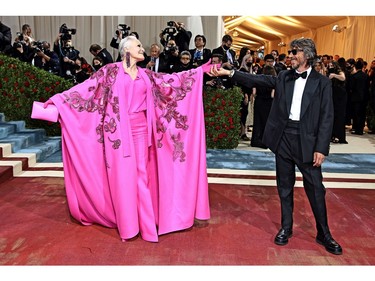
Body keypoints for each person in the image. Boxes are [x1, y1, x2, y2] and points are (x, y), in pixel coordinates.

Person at [32, 35, 211, 242]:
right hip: (116, 135)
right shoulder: (109, 72)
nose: (142, 48)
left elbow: (172, 82)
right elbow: (86, 91)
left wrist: (200, 72)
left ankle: (146, 226)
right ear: (126, 49)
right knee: (124, 179)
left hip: (142, 133)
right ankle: (128, 224)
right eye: (138, 45)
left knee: (142, 176)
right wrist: (56, 104)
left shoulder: (147, 75)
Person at [209, 37, 342, 255]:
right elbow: (258, 79)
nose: (290, 56)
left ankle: (324, 233)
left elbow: (327, 117)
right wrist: (230, 73)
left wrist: (321, 148)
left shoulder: (322, 82)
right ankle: (286, 228)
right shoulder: (283, 77)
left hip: (308, 142)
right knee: (284, 187)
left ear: (307, 55)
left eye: (294, 52)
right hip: (284, 139)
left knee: (316, 189)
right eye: (290, 52)